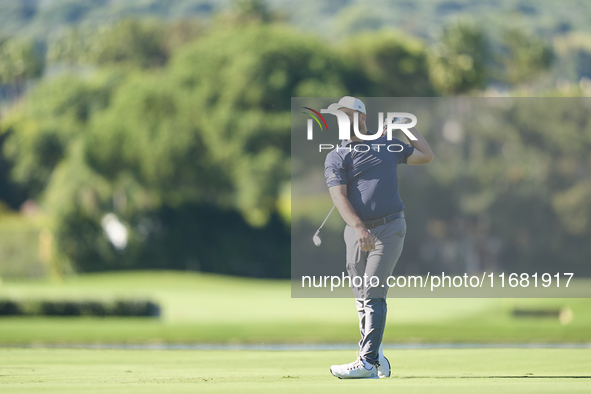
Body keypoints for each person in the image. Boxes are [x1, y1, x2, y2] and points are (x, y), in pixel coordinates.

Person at [324, 96, 434, 379]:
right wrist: (359, 227)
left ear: (362, 117)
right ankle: (375, 356)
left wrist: (405, 127)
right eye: (339, 116)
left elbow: (425, 155)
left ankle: (367, 362)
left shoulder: (387, 144)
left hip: (390, 227)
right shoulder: (336, 156)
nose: (343, 120)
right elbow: (339, 196)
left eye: (348, 115)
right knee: (362, 297)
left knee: (373, 291)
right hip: (356, 231)